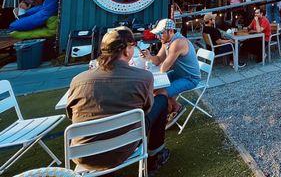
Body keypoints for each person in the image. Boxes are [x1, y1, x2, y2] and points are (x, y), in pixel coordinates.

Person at [67, 27, 170, 174]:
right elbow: (147, 109)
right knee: (161, 98)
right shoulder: (144, 78)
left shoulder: (78, 80)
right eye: (132, 46)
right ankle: (155, 156)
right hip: (125, 148)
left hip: (83, 155)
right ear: (127, 50)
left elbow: (71, 115)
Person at [141, 19, 201, 127]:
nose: (158, 37)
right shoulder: (167, 41)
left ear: (171, 31)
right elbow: (159, 59)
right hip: (178, 74)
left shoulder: (178, 43)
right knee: (153, 89)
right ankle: (176, 107)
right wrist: (149, 57)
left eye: (161, 33)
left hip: (190, 78)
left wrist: (155, 65)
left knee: (160, 93)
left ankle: (166, 113)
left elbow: (164, 67)